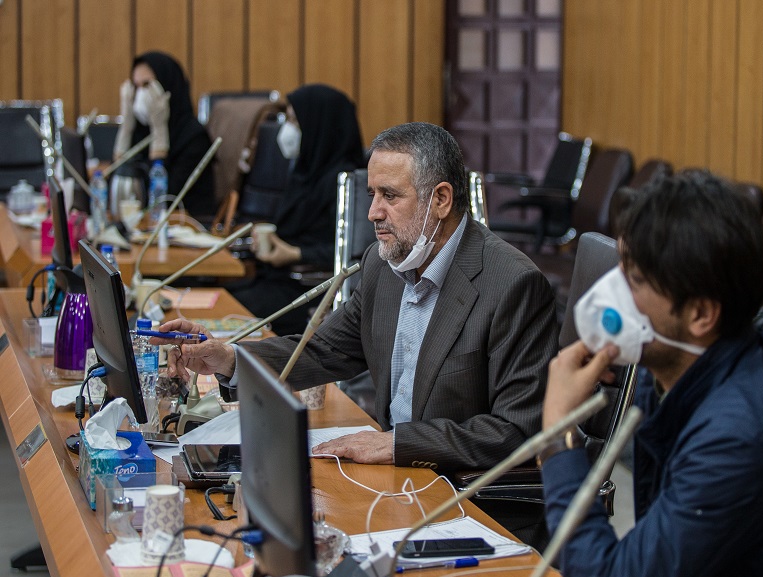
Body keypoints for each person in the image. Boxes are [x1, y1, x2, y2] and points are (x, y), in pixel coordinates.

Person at [157, 122, 559, 471]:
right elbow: (323, 351)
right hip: (393, 477)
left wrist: (397, 444)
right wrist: (228, 359)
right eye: (372, 195)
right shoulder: (383, 265)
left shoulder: (512, 285)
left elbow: (516, 431)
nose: (373, 213)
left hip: (459, 491)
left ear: (440, 200)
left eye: (390, 196)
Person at [539, 171, 763, 577]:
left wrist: (558, 438)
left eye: (636, 280)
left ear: (700, 315)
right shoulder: (668, 367)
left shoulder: (739, 435)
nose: (612, 290)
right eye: (621, 267)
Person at [228, 84, 365, 335]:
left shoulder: (346, 182)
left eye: (294, 121)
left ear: (318, 126)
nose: (286, 130)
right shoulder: (305, 170)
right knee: (223, 297)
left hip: (310, 292)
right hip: (276, 280)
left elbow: (353, 253)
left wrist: (294, 253)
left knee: (229, 308)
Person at [113, 51, 216, 221]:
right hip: (145, 226)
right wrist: (126, 130)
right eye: (136, 87)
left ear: (168, 86)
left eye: (147, 85)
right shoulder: (140, 132)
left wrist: (160, 133)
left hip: (187, 225)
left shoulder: (194, 137)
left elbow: (163, 200)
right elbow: (118, 191)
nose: (140, 95)